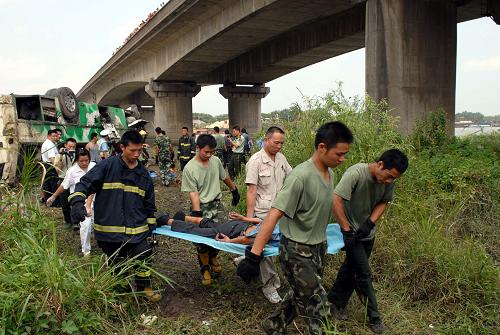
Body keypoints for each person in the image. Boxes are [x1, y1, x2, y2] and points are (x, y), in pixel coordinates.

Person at [237, 121, 353, 335]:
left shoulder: (329, 174)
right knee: (318, 304)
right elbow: (273, 216)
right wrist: (253, 257)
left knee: (301, 294)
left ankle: (273, 325)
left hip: (318, 248)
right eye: (339, 154)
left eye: (344, 154)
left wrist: (346, 230)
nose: (342, 159)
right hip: (297, 251)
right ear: (322, 147)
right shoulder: (300, 177)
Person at [69, 130, 161, 302]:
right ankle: (122, 294)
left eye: (139, 150)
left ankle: (145, 287)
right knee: (118, 266)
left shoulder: (143, 174)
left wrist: (151, 227)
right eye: (132, 150)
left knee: (143, 256)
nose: (136, 154)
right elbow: (85, 184)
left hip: (137, 229)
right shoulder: (107, 166)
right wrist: (77, 202)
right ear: (122, 147)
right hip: (110, 231)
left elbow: (149, 203)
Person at [327, 149, 409, 334]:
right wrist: (346, 230)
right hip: (351, 234)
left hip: (367, 234)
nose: (389, 181)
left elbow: (384, 202)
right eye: (388, 176)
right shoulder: (356, 173)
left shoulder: (389, 180)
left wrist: (371, 222)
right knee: (363, 274)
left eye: (393, 179)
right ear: (380, 164)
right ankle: (375, 318)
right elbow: (336, 199)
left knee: (350, 269)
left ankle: (333, 303)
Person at [181, 134, 240, 285]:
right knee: (201, 241)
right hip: (201, 206)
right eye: (206, 152)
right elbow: (193, 193)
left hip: (217, 204)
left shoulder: (215, 161)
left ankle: (214, 256)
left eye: (212, 152)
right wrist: (196, 214)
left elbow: (224, 176)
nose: (209, 155)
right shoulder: (190, 168)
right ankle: (205, 269)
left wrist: (234, 190)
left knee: (221, 233)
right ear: (198, 148)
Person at [244, 126, 292, 304]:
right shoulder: (256, 160)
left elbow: (292, 176)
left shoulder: (281, 158)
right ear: (266, 140)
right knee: (265, 248)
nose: (279, 146)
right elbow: (251, 190)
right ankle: (269, 286)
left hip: (280, 210)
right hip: (262, 212)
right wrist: (249, 220)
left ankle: (245, 257)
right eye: (276, 142)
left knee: (276, 246)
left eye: (282, 143)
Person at [47, 149, 96, 256]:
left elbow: (95, 186)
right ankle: (86, 250)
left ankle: (96, 239)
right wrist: (54, 196)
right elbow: (64, 185)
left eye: (86, 160)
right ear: (76, 160)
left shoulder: (94, 167)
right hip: (80, 202)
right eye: (81, 161)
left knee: (94, 224)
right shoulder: (72, 171)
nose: (84, 163)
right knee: (85, 225)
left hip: (96, 201)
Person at [156, 211, 281, 244]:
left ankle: (183, 217)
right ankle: (167, 221)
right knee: (199, 232)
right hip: (236, 231)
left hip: (240, 225)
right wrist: (229, 241)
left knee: (213, 225)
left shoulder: (281, 225)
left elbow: (263, 220)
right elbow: (246, 240)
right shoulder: (275, 234)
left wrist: (243, 219)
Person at [54, 137, 77, 228]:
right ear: (65, 146)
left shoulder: (77, 155)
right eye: (70, 146)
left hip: (74, 181)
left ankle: (76, 221)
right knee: (64, 203)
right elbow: (57, 169)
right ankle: (68, 221)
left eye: (73, 147)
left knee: (75, 201)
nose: (71, 149)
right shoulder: (60, 155)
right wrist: (61, 155)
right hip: (63, 180)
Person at [40, 129, 60, 202]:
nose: (55, 138)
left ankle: (47, 200)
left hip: (46, 165)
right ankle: (54, 202)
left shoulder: (46, 143)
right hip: (51, 165)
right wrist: (57, 168)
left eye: (56, 136)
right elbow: (52, 158)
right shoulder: (50, 144)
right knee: (53, 184)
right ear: (49, 136)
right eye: (53, 136)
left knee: (47, 184)